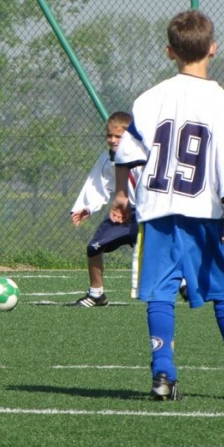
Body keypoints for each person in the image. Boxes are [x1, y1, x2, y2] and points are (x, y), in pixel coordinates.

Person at [110, 10, 224, 401]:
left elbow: (127, 153)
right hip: (202, 210)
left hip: (158, 210)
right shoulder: (222, 100)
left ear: (169, 52)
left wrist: (122, 194)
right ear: (213, 49)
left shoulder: (148, 98)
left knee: (160, 292)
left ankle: (163, 375)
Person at [69, 111, 140, 307]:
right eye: (109, 135)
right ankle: (96, 294)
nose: (113, 140)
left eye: (119, 136)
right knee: (94, 247)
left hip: (147, 215)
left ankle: (186, 283)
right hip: (122, 216)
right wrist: (87, 207)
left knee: (160, 255)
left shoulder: (146, 153)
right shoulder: (108, 157)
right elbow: (98, 183)